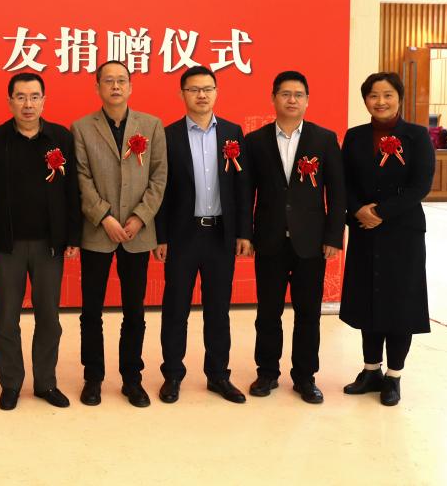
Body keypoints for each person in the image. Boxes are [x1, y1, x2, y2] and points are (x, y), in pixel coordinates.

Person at [0, 72, 81, 410]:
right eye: (20, 97)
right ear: (10, 101)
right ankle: (11, 384)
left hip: (49, 244)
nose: (28, 104)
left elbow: (72, 191)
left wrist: (72, 236)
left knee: (49, 317)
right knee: (7, 317)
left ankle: (45, 383)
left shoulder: (60, 138)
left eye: (34, 97)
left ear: (44, 100)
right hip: (7, 245)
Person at [244, 70, 345, 404]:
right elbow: (246, 193)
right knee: (267, 313)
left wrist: (334, 236)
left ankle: (305, 377)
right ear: (273, 98)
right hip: (269, 239)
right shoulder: (255, 141)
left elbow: (337, 193)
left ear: (307, 100)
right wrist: (245, 234)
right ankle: (267, 373)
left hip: (311, 243)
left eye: (298, 94)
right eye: (285, 94)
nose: (292, 100)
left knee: (308, 314)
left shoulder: (324, 139)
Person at [153, 66, 252, 404]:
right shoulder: (168, 135)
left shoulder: (232, 133)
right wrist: (161, 236)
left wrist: (243, 232)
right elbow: (161, 190)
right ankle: (172, 375)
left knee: (218, 310)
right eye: (194, 89)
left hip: (220, 234)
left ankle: (218, 375)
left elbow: (242, 188)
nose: (201, 95)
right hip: (182, 235)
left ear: (216, 92)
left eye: (208, 88)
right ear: (182, 94)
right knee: (175, 309)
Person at [72, 60, 167, 408]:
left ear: (130, 86)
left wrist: (140, 217)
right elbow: (81, 178)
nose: (115, 86)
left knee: (135, 311)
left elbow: (159, 176)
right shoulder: (82, 128)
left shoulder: (151, 125)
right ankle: (93, 377)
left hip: (137, 233)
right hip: (98, 232)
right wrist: (104, 217)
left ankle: (132, 379)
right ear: (97, 86)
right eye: (108, 81)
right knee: (91, 311)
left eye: (121, 81)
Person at [340, 72, 434, 406]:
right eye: (373, 95)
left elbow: (420, 185)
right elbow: (343, 182)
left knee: (399, 301)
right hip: (364, 230)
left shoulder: (417, 136)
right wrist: (358, 210)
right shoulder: (354, 136)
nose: (380, 102)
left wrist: (381, 212)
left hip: (402, 232)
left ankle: (393, 376)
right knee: (369, 298)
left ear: (399, 98)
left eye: (388, 95)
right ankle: (370, 371)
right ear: (365, 100)